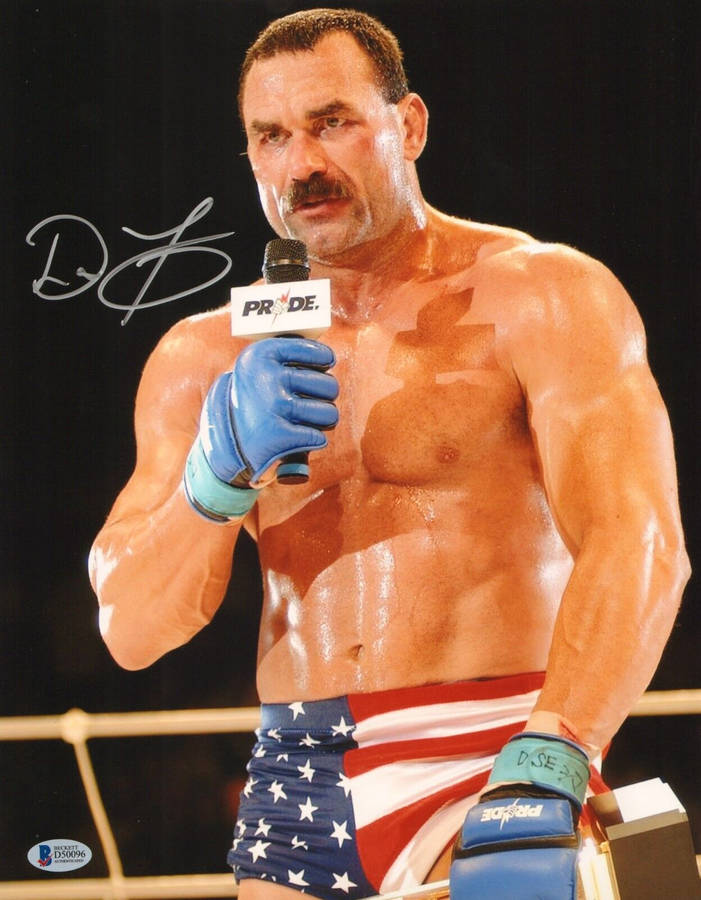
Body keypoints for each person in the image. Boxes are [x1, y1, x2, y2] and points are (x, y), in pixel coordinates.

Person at [89, 8, 690, 900]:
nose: (302, 163)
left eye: (331, 121)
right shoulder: (203, 354)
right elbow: (131, 632)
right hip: (299, 776)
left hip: (493, 744)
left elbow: (638, 543)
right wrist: (214, 476)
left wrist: (556, 750)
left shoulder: (544, 294)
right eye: (271, 136)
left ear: (407, 125)